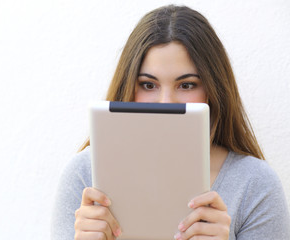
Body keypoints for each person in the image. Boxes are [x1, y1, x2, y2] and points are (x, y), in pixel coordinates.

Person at [50, 5, 290, 240]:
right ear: (129, 88)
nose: (166, 103)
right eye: (148, 85)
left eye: (186, 85)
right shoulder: (84, 175)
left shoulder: (255, 185)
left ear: (212, 91)